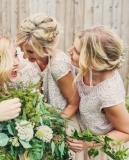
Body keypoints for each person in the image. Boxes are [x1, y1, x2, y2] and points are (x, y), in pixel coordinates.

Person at [15, 13, 83, 159]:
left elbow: (74, 103)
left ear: (45, 47)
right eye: (22, 49)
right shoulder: (27, 60)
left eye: (31, 52)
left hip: (62, 127)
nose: (25, 56)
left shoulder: (58, 64)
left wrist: (52, 128)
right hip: (40, 129)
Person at [67, 25, 129, 160]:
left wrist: (88, 143)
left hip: (108, 149)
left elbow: (127, 132)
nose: (69, 51)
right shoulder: (89, 69)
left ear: (92, 63)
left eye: (76, 51)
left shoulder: (108, 93)